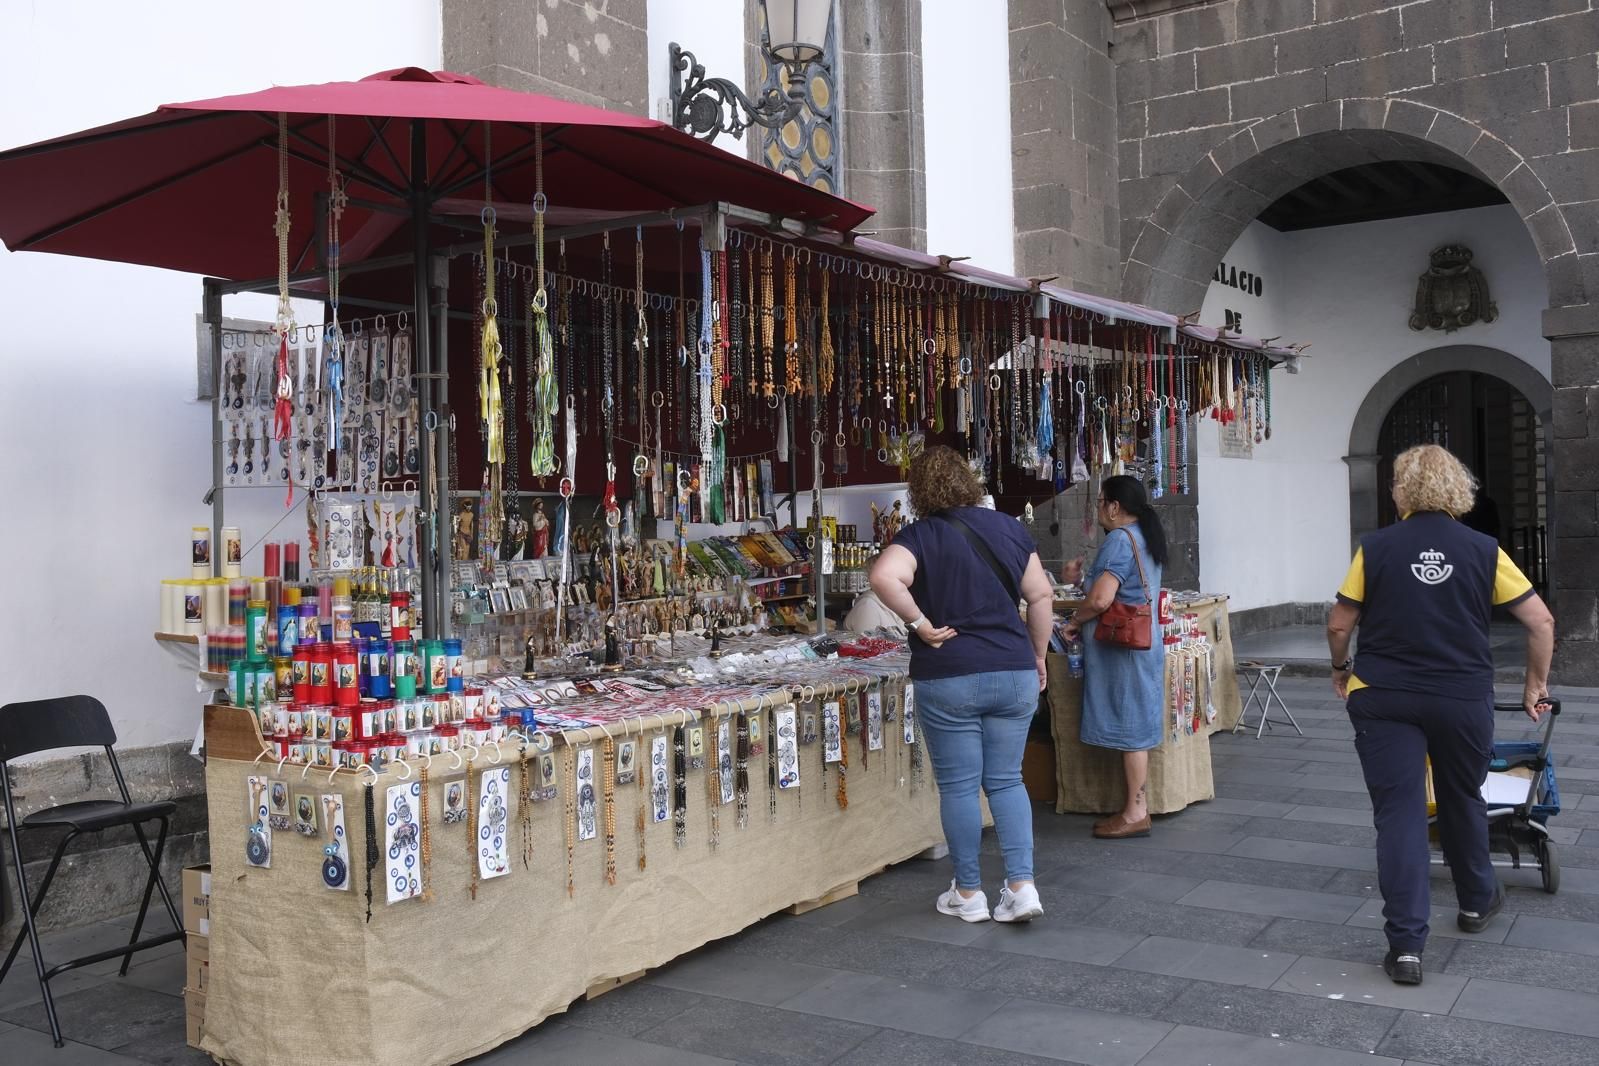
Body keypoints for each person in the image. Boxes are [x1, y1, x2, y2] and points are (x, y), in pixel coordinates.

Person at [1327, 444, 1553, 987]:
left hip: (1383, 695)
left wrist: (1340, 669)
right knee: (1462, 796)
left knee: (1400, 813)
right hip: (1460, 697)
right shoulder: (1482, 549)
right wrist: (1534, 686)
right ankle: (1476, 900)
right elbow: (1540, 621)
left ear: (1402, 489)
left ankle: (1406, 947)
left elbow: (1339, 623)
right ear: (1457, 489)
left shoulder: (1376, 547)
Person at [869, 446, 1055, 924]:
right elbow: (1040, 596)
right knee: (1007, 780)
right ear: (969, 483)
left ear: (919, 492)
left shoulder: (921, 534)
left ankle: (969, 893)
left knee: (958, 786)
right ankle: (1021, 887)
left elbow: (883, 577)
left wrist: (920, 623)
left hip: (950, 672)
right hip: (1013, 670)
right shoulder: (1011, 528)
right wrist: (1037, 655)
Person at [1060, 474, 1168, 840]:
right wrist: (1080, 582)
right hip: (1142, 645)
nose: (1098, 509)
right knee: (1136, 723)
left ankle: (1136, 810)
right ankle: (1135, 807)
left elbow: (1103, 600)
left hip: (1125, 651)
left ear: (1114, 507)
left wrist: (1074, 620)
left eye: (1099, 501)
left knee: (1132, 728)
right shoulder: (1144, 537)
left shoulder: (1120, 540)